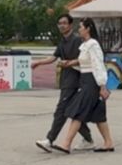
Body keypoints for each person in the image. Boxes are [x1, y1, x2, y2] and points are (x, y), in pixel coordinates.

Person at [50, 18, 115, 154]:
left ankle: (66, 144)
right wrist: (68, 63)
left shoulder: (93, 45)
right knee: (98, 115)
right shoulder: (85, 45)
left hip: (92, 82)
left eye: (80, 27)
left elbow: (98, 65)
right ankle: (108, 143)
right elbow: (83, 63)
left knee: (77, 112)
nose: (79, 29)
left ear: (88, 28)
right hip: (85, 79)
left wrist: (102, 85)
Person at [35, 14, 93, 152]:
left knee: (61, 110)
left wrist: (70, 63)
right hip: (66, 80)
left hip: (76, 80)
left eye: (64, 23)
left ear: (70, 25)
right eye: (59, 23)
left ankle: (50, 139)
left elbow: (85, 58)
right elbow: (54, 57)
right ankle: (88, 139)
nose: (61, 25)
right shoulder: (62, 42)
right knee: (72, 112)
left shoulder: (78, 41)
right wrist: (39, 62)